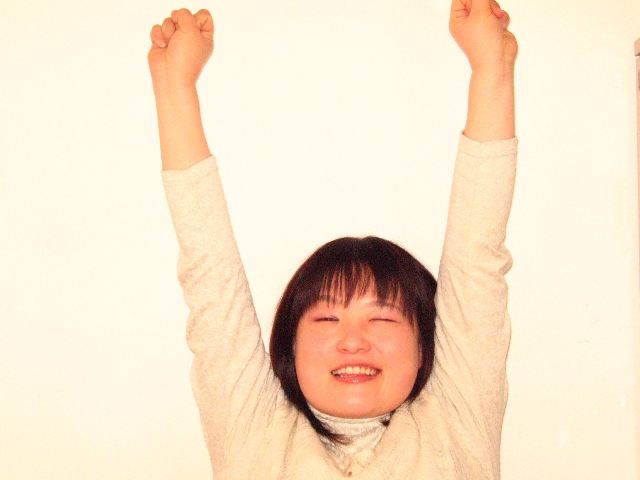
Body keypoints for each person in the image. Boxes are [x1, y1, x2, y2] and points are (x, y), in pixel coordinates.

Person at [148, 0, 518, 478]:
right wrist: (173, 85)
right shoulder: (255, 434)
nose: (353, 342)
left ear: (425, 347)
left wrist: (492, 67)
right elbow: (210, 274)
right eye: (326, 317)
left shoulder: (456, 425)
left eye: (382, 317)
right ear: (290, 348)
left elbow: (477, 255)